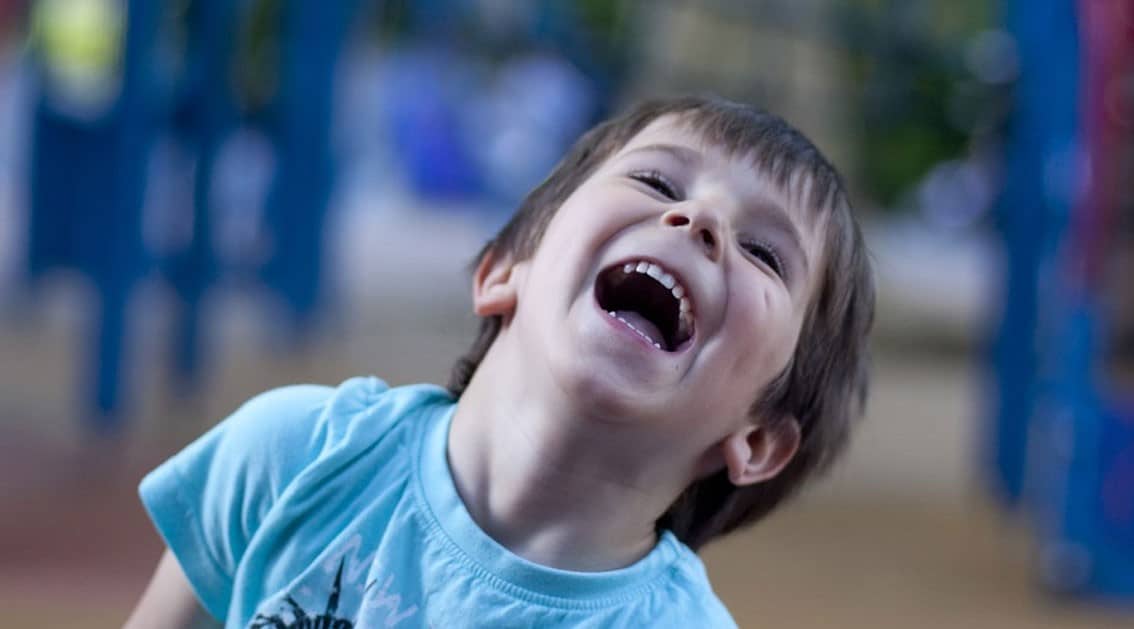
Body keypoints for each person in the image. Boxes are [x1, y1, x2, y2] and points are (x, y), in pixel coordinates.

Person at [124, 95, 874, 628]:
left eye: (764, 251)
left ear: (759, 438)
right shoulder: (296, 457)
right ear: (505, 268)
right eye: (656, 182)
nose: (699, 218)